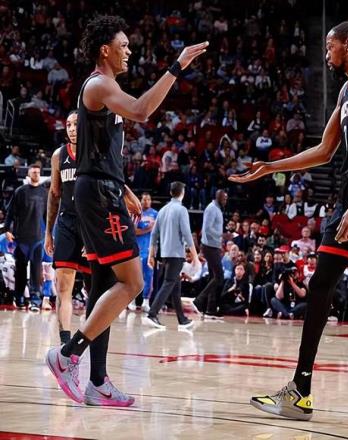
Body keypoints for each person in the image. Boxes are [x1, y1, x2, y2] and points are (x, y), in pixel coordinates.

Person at [230, 21, 348, 431]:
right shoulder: (347, 91)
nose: (326, 53)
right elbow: (324, 149)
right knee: (319, 286)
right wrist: (272, 167)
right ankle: (300, 391)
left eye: (331, 46)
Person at [45, 14, 208, 406]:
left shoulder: (107, 86)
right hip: (98, 194)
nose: (130, 51)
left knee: (104, 285)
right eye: (124, 45)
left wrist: (123, 189)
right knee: (133, 283)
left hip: (104, 189)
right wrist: (177, 66)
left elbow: (102, 152)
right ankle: (67, 355)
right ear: (106, 50)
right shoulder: (99, 84)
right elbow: (142, 111)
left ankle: (98, 382)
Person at [45, 110, 91, 344]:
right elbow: (54, 195)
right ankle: (65, 344)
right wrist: (48, 233)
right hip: (66, 223)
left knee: (95, 291)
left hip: (90, 225)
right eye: (68, 125)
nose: (72, 129)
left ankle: (90, 339)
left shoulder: (95, 153)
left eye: (76, 124)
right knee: (63, 287)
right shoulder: (58, 155)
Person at [145, 182, 200, 329]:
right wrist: (195, 256)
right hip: (176, 253)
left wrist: (151, 255)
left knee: (175, 286)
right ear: (182, 193)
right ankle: (152, 314)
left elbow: (154, 234)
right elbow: (187, 234)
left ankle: (182, 319)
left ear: (171, 193)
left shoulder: (162, 210)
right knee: (169, 282)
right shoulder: (181, 210)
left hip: (165, 253)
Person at [5, 164, 47, 311]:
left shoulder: (44, 193)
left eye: (38, 172)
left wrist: (49, 234)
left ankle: (35, 301)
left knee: (36, 272)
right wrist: (7, 230)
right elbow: (10, 213)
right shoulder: (20, 191)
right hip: (21, 238)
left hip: (38, 239)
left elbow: (48, 216)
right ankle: (19, 299)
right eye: (33, 172)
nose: (36, 174)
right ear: (28, 174)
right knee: (20, 271)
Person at [192, 190, 228, 319]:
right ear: (218, 197)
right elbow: (207, 229)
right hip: (209, 247)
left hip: (214, 246)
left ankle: (210, 309)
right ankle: (198, 301)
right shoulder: (211, 208)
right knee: (219, 276)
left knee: (213, 277)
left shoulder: (217, 209)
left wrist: (219, 243)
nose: (226, 201)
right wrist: (222, 235)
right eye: (224, 198)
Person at [129, 192, 157, 312]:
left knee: (149, 276)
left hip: (149, 249)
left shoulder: (155, 214)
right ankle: (131, 300)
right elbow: (134, 231)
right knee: (134, 276)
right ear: (140, 200)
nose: (146, 202)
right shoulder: (137, 213)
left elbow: (157, 232)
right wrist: (149, 228)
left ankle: (146, 301)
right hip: (137, 248)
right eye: (144, 199)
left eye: (148, 199)